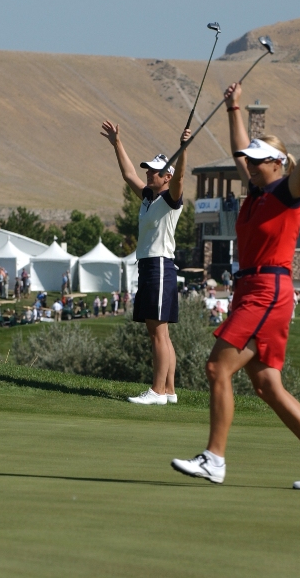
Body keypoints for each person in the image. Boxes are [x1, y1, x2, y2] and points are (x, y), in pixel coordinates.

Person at [171, 79, 300, 489]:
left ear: (279, 162)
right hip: (252, 292)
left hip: (268, 292)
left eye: (258, 160)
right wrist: (235, 107)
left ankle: (214, 458)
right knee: (266, 385)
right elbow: (238, 152)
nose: (249, 164)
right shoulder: (256, 193)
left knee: (217, 367)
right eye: (249, 160)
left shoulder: (288, 191)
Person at [100, 119, 190, 406]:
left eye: (154, 170)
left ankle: (158, 391)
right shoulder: (149, 198)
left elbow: (180, 180)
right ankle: (170, 391)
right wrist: (117, 143)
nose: (149, 172)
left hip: (160, 266)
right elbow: (128, 174)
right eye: (149, 169)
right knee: (159, 332)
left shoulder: (171, 198)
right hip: (150, 266)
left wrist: (183, 148)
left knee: (158, 333)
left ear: (167, 177)